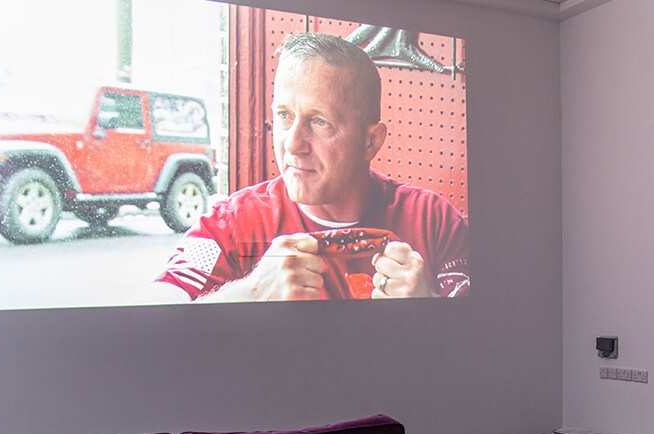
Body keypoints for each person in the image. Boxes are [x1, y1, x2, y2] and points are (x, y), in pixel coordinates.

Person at [151, 32, 468, 302]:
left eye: (319, 122)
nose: (292, 145)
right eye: (284, 116)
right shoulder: (233, 225)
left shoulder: (434, 222)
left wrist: (428, 305)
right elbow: (153, 314)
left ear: (370, 142)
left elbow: (485, 338)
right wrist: (252, 292)